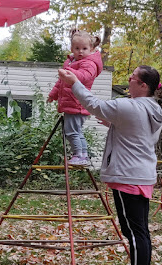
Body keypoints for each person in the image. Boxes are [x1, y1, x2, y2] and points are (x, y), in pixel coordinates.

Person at [58, 65, 162, 265]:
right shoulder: (153, 109)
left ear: (143, 85)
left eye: (133, 76)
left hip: (129, 176)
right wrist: (114, 123)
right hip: (139, 174)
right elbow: (138, 132)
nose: (129, 78)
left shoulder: (130, 106)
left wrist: (74, 84)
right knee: (136, 229)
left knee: (136, 231)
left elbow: (95, 105)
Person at [47, 29, 103, 166]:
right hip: (71, 103)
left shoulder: (89, 63)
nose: (80, 51)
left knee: (71, 132)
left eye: (84, 48)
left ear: (91, 49)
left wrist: (69, 72)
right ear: (72, 48)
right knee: (77, 131)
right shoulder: (71, 62)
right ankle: (83, 155)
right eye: (77, 48)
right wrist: (53, 94)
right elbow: (61, 82)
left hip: (76, 103)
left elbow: (84, 76)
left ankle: (78, 154)